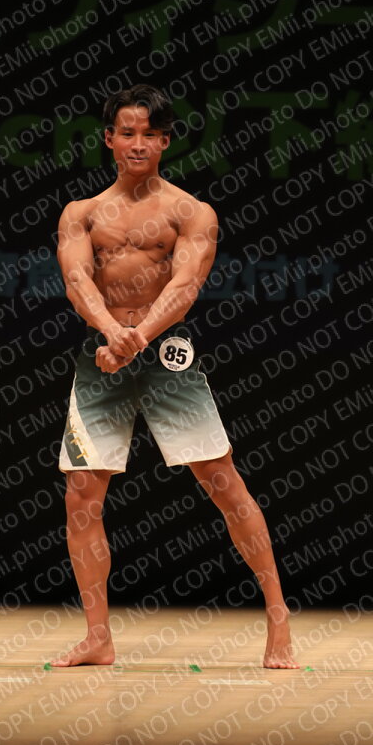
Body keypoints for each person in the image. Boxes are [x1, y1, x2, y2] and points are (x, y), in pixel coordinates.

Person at [51, 84, 298, 669]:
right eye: (126, 132)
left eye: (149, 134)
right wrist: (111, 332)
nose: (137, 143)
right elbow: (78, 281)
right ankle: (97, 637)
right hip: (103, 353)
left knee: (221, 479)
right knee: (81, 492)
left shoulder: (192, 212)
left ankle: (279, 617)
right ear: (109, 139)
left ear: (164, 141)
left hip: (167, 355)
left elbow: (185, 287)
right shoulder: (81, 213)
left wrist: (136, 338)